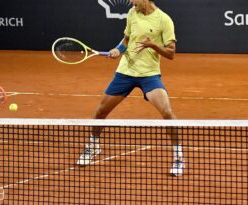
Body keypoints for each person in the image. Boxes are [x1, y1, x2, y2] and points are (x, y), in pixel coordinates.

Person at [76, 0, 185, 176]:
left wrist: (153, 45)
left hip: (149, 74)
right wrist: (118, 50)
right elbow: (127, 40)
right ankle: (93, 146)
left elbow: (171, 53)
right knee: (101, 112)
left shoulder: (164, 20)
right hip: (125, 72)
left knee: (167, 112)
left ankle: (179, 157)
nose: (132, 2)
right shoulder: (132, 13)